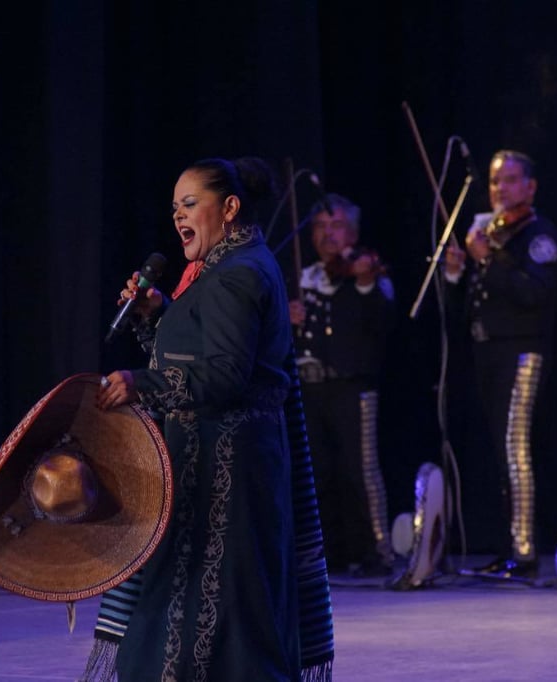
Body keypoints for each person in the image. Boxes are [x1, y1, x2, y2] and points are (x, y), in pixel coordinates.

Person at [90, 157, 334, 681]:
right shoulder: (228, 269)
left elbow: (224, 377)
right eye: (175, 206)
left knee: (219, 619)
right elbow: (199, 362)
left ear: (229, 208)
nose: (178, 214)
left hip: (224, 476)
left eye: (190, 203)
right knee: (217, 612)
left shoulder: (236, 275)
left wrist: (140, 383)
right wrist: (154, 317)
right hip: (218, 465)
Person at [444, 149, 557, 580]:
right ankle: (506, 542)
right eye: (495, 182)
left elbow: (534, 294)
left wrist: (486, 260)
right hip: (486, 351)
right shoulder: (488, 232)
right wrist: (457, 272)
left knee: (516, 448)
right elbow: (466, 305)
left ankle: (525, 550)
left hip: (523, 351)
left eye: (510, 180)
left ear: (529, 186)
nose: (501, 189)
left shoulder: (536, 234)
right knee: (498, 449)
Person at [288, 194, 396, 577]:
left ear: (352, 231)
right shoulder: (305, 276)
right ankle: (326, 552)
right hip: (308, 387)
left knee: (360, 471)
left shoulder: (366, 274)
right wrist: (287, 319)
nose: (328, 234)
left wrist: (366, 281)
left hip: (352, 386)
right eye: (320, 226)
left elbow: (383, 321)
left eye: (336, 226)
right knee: (317, 472)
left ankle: (377, 549)